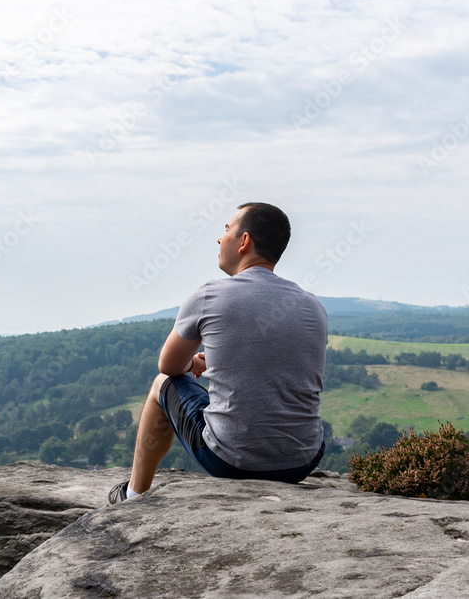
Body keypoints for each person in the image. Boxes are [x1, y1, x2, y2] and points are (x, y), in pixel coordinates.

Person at [109, 202, 328, 504]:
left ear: (244, 241)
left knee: (162, 384)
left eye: (226, 229)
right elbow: (272, 354)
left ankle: (133, 494)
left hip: (232, 462)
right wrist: (206, 360)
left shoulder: (211, 294)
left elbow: (170, 366)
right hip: (303, 461)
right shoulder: (312, 304)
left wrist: (191, 363)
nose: (219, 238)